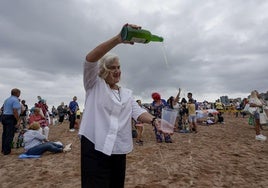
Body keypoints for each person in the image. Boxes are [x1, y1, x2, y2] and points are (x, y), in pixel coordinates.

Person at [78, 23, 169, 188]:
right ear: (103, 70)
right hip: (94, 146)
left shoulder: (126, 94)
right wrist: (119, 39)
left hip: (119, 148)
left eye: (119, 67)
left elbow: (138, 112)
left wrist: (155, 121)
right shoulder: (94, 84)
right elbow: (90, 59)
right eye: (112, 68)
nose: (117, 71)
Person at [1, 88, 21, 155]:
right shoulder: (15, 100)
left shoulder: (7, 99)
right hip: (10, 117)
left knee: (5, 134)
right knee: (10, 134)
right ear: (17, 93)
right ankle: (7, 151)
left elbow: (3, 108)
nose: (19, 94)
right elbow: (15, 111)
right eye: (19, 93)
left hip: (4, 116)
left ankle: (3, 149)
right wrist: (18, 120)